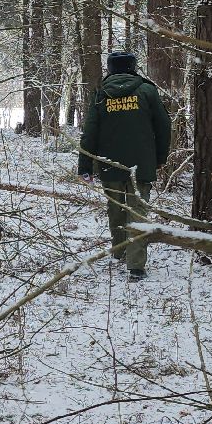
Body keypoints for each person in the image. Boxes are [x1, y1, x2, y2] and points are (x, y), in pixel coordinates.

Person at [79, 50, 171, 279]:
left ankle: (119, 251)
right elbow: (163, 127)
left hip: (109, 164)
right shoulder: (147, 90)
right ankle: (136, 265)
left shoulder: (101, 94)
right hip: (141, 164)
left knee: (115, 209)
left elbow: (89, 132)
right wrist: (160, 158)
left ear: (110, 69)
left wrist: (85, 166)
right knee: (138, 212)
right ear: (133, 66)